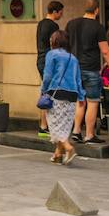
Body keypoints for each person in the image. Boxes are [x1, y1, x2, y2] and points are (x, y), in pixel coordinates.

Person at [65, 0, 109, 144]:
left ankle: (76, 131)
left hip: (74, 69)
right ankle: (90, 135)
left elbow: (66, 46)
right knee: (92, 102)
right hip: (90, 69)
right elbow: (105, 51)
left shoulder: (71, 24)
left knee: (80, 101)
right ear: (97, 10)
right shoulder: (97, 27)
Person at [41, 29, 82, 165]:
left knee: (54, 123)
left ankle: (69, 148)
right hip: (72, 94)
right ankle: (58, 154)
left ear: (55, 41)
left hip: (56, 92)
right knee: (64, 124)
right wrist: (81, 96)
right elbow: (78, 79)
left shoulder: (52, 54)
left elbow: (47, 76)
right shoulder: (73, 58)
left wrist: (43, 90)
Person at [35, 1, 63, 134]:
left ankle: (43, 125)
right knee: (50, 93)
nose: (61, 15)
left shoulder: (41, 23)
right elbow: (55, 45)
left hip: (40, 60)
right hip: (49, 62)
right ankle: (46, 125)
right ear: (56, 11)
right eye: (61, 12)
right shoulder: (53, 26)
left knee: (46, 92)